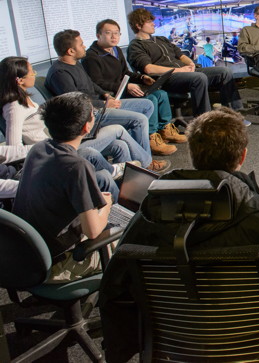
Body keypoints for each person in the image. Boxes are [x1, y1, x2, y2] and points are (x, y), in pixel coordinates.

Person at [99, 108, 259, 363]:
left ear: (191, 154)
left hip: (175, 344)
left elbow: (112, 290)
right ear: (242, 156)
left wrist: (118, 353)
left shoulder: (146, 218)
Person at [0, 56, 158, 192]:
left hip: (60, 142)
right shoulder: (13, 107)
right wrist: (45, 146)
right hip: (56, 152)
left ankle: (127, 192)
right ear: (19, 80)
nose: (34, 74)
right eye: (31, 72)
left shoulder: (23, 99)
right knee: (117, 129)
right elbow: (14, 146)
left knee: (119, 145)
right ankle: (145, 167)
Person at [12, 92, 114, 282]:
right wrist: (106, 205)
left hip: (27, 256)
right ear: (86, 126)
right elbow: (92, 231)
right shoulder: (77, 166)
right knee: (126, 241)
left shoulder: (38, 149)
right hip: (57, 264)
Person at [45, 30, 165, 167]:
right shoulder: (60, 73)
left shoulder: (75, 63)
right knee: (139, 120)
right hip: (92, 112)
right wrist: (104, 103)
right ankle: (146, 163)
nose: (84, 46)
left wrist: (105, 94)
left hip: (100, 105)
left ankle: (137, 151)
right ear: (71, 51)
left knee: (147, 105)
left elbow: (90, 84)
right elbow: (76, 104)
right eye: (81, 44)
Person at [82, 18, 186, 156]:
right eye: (108, 33)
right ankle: (151, 136)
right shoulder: (91, 57)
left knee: (161, 94)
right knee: (151, 100)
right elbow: (97, 83)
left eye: (117, 33)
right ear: (98, 35)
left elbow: (125, 73)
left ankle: (165, 129)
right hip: (113, 95)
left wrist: (141, 78)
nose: (114, 37)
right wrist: (126, 86)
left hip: (125, 88)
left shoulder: (116, 50)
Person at [126, 8, 247, 121]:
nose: (153, 24)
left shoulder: (161, 39)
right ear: (138, 25)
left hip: (184, 72)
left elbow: (180, 55)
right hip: (165, 78)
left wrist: (190, 63)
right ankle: (204, 121)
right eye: (149, 22)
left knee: (224, 72)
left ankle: (234, 115)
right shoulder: (136, 46)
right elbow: (148, 69)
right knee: (199, 78)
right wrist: (179, 70)